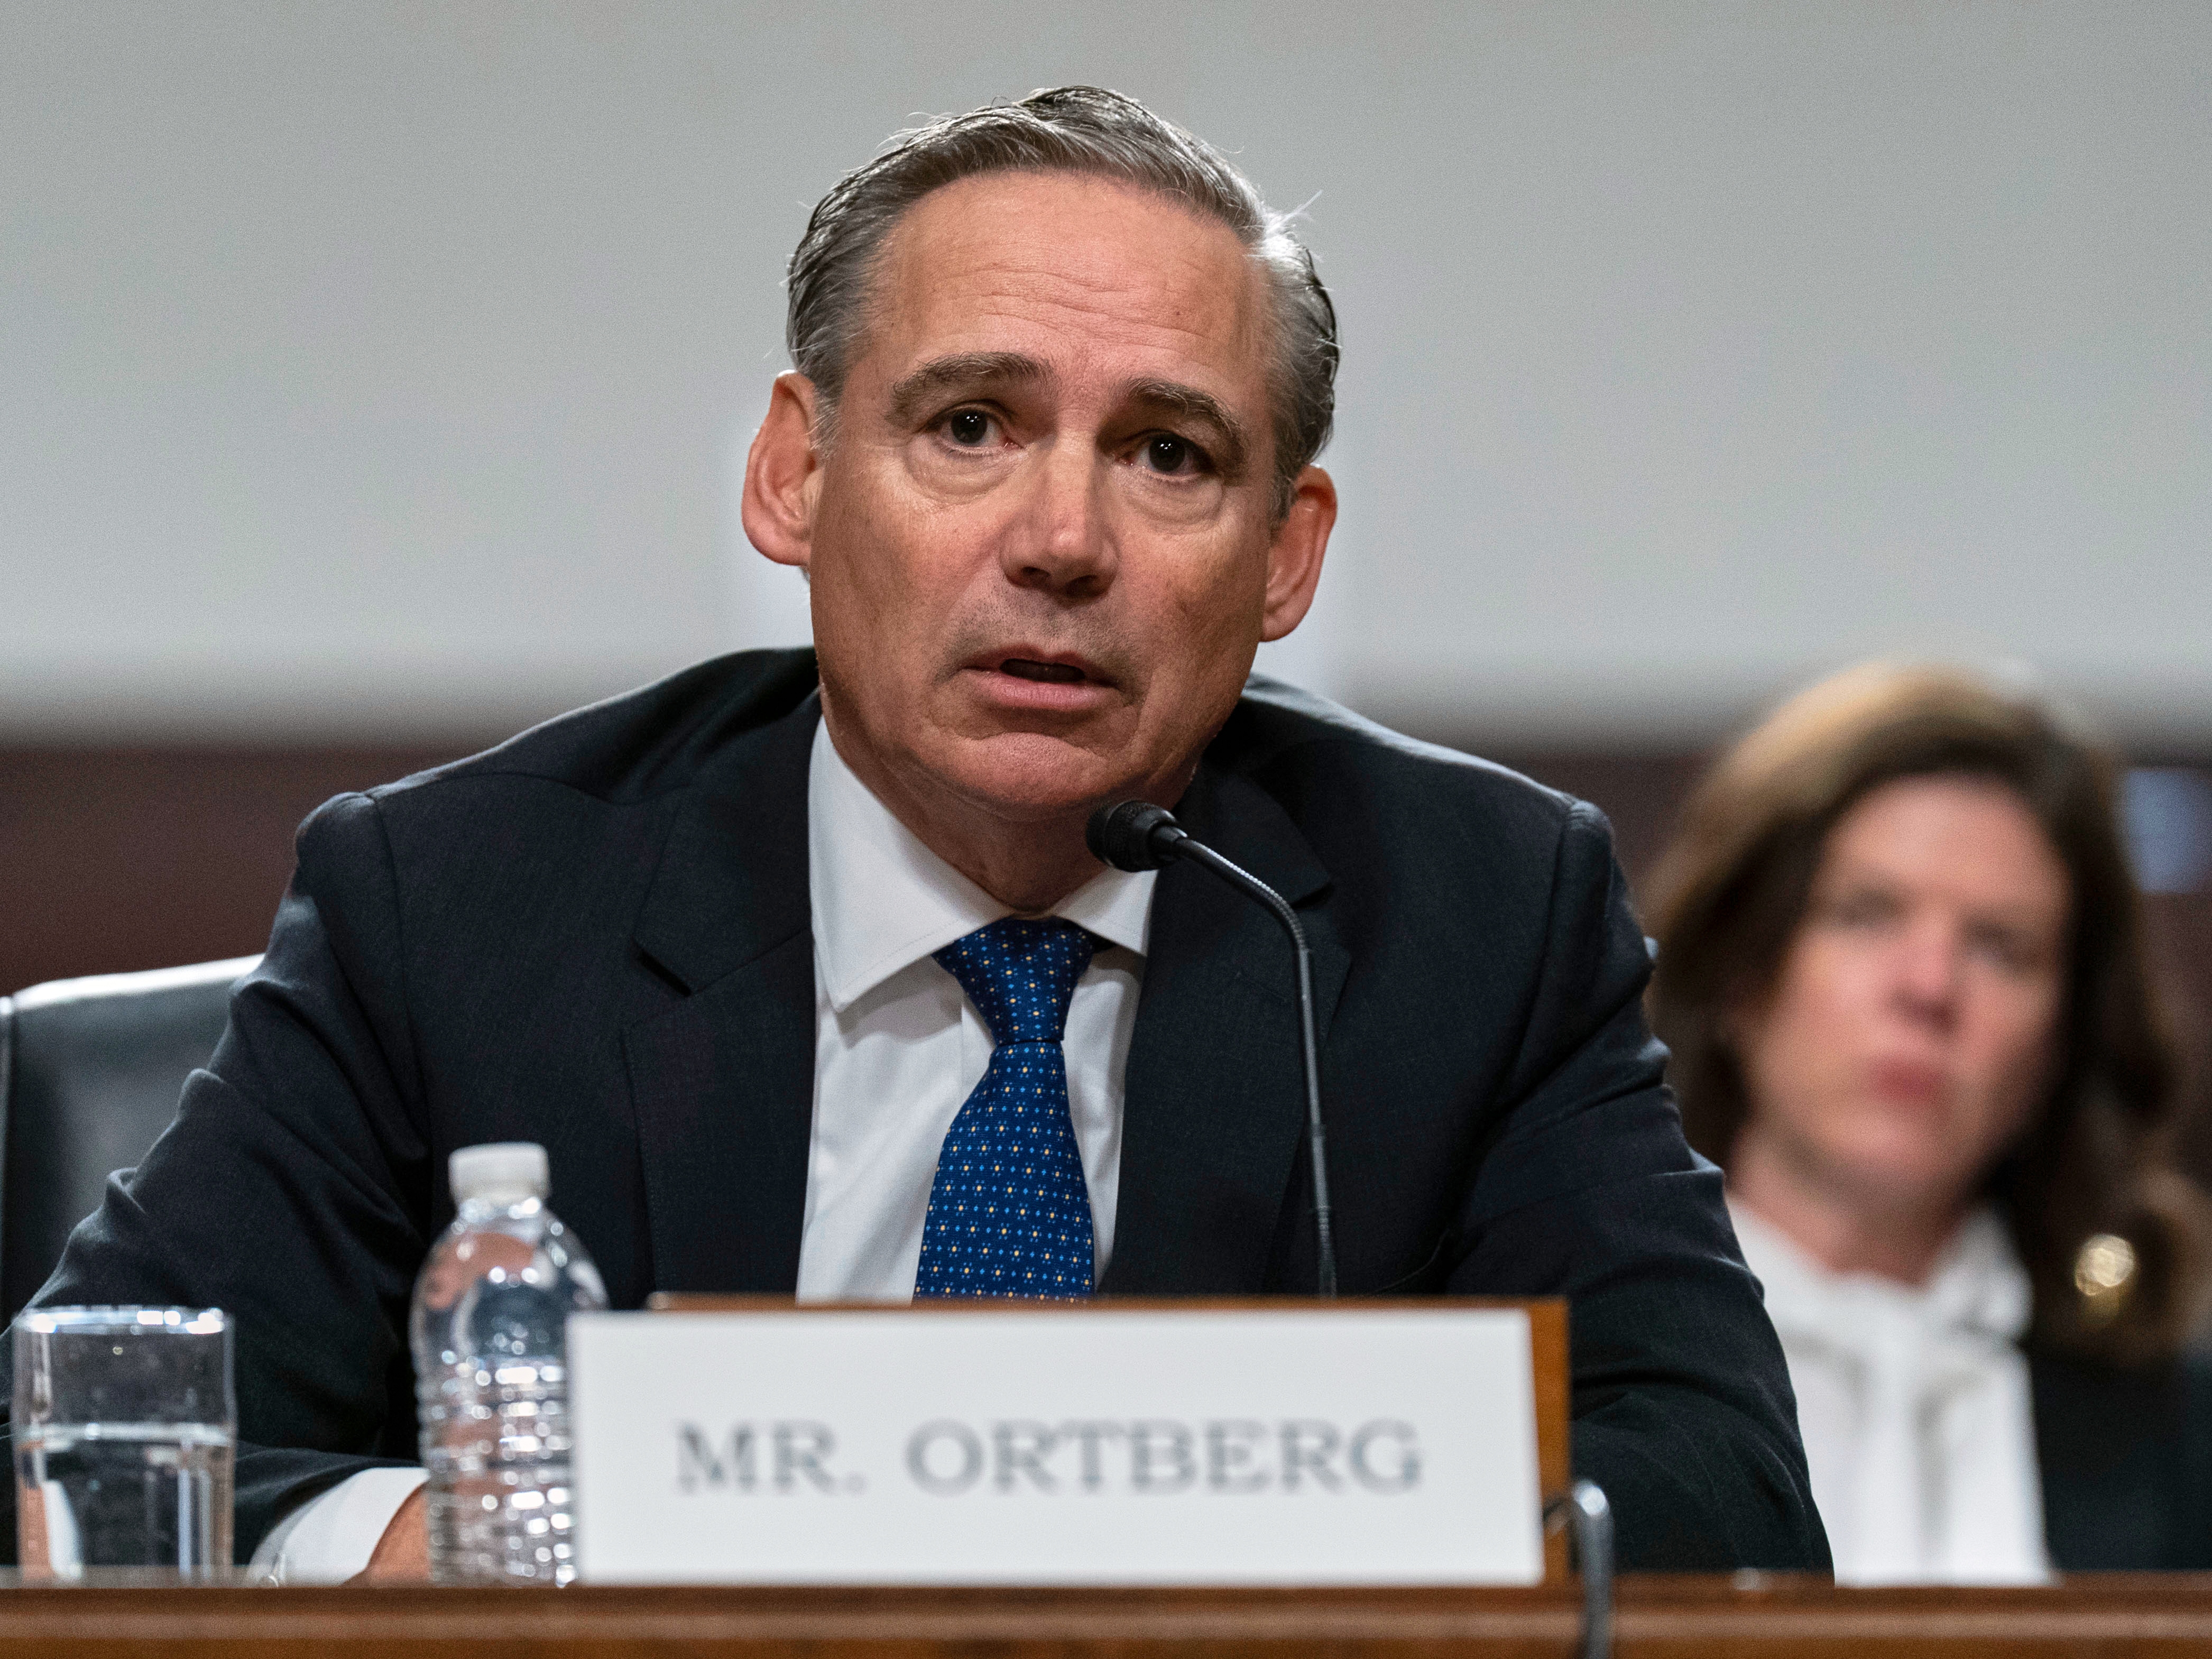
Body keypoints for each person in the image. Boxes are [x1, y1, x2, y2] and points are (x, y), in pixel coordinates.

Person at [1, 87, 1825, 1579]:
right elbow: (79, 1453)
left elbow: (1721, 1494)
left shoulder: (1476, 914)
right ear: (794, 474)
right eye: (970, 424)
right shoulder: (465, 900)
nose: (1063, 541)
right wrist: (524, 1549)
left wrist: (1171, 1523)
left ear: (1287, 556)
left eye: (1169, 455)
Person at [1646, 661, 2212, 1580]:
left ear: (2064, 1034)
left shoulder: (2175, 1421)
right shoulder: (1581, 1374)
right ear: (1738, 972)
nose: (1930, 986)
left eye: (2002, 946)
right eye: (1865, 914)